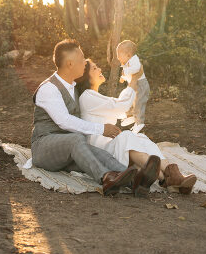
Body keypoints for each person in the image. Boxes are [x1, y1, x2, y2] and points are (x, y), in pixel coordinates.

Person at [30, 39, 159, 196]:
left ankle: (137, 181)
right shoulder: (49, 89)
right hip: (44, 149)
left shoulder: (73, 88)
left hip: (68, 150)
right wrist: (101, 129)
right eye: (81, 59)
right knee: (76, 139)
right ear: (70, 63)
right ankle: (106, 177)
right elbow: (64, 121)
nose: (85, 63)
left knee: (100, 153)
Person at [76, 59, 197, 194]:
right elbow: (120, 105)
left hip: (112, 147)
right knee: (126, 136)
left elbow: (121, 109)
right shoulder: (87, 97)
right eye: (94, 68)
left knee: (141, 137)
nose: (99, 69)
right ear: (85, 77)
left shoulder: (96, 97)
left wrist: (131, 82)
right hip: (102, 153)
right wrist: (133, 80)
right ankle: (166, 179)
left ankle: (174, 176)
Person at [116, 39, 149, 132]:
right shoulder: (126, 62)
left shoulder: (134, 59)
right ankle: (130, 115)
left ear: (128, 55)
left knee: (138, 103)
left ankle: (140, 123)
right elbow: (131, 75)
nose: (118, 57)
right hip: (135, 85)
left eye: (119, 54)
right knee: (130, 99)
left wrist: (125, 72)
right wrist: (123, 77)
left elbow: (137, 68)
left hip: (141, 85)